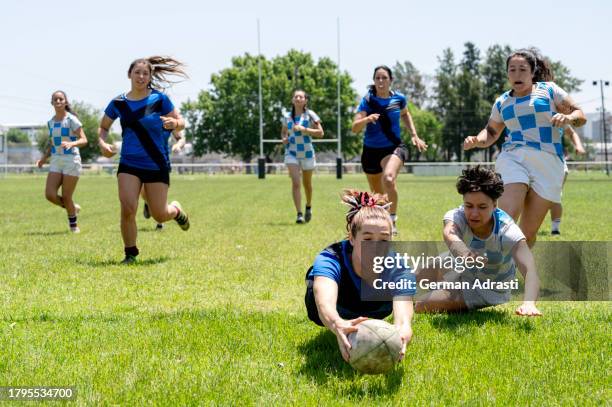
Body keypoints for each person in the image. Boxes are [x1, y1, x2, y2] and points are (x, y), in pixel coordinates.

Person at [464, 48, 586, 246]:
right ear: (507, 73)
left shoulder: (549, 90)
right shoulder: (502, 101)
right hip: (514, 157)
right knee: (507, 219)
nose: (517, 74)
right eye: (512, 70)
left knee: (527, 235)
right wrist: (477, 140)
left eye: (522, 69)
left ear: (532, 72)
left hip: (549, 163)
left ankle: (513, 267)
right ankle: (490, 267)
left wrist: (569, 117)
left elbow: (581, 114)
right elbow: (491, 132)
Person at [98, 56, 190, 264]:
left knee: (159, 214)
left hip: (156, 163)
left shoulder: (160, 100)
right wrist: (103, 144)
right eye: (137, 72)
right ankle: (130, 253)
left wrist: (174, 122)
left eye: (145, 73)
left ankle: (175, 211)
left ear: (150, 77)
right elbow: (103, 127)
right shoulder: (118, 103)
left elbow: (181, 123)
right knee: (128, 207)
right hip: (129, 163)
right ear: (129, 74)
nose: (141, 76)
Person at [305, 189, 414, 362]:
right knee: (315, 290)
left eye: (384, 240)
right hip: (339, 305)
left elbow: (403, 314)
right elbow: (324, 301)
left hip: (375, 310)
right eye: (368, 239)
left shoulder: (399, 266)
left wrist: (402, 330)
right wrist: (337, 324)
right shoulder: (331, 257)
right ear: (352, 238)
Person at [415, 166, 542, 316]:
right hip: (458, 265)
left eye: (482, 207)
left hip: (485, 288)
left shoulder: (508, 232)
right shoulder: (457, 215)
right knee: (408, 277)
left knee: (420, 306)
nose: (474, 213)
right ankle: (445, 286)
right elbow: (450, 234)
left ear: (494, 205)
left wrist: (529, 304)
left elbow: (530, 270)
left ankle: (447, 291)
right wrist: (464, 254)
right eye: (469, 206)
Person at [351, 65, 428, 235]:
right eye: (377, 78)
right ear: (374, 81)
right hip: (370, 151)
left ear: (390, 80)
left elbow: (405, 114)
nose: (381, 81)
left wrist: (414, 135)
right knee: (378, 196)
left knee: (389, 178)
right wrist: (367, 119)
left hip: (394, 147)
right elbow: (354, 128)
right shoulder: (368, 101)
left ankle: (392, 221)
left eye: (384, 78)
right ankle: (382, 223)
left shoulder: (399, 99)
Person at [36, 90, 88, 233]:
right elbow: (53, 143)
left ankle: (73, 226)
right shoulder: (51, 122)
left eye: (61, 99)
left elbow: (84, 139)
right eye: (55, 99)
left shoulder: (72, 120)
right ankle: (73, 208)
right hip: (56, 160)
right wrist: (43, 158)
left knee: (66, 196)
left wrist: (73, 144)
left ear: (65, 102)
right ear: (52, 103)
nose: (58, 101)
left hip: (71, 160)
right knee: (50, 195)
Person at [280, 90, 324, 223]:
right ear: (292, 100)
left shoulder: (311, 115)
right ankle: (299, 214)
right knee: (296, 182)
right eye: (295, 97)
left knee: (307, 184)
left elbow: (321, 133)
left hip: (307, 154)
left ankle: (308, 206)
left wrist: (305, 130)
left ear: (305, 100)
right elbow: (283, 132)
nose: (298, 98)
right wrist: (284, 139)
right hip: (291, 153)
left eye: (301, 97)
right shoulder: (287, 116)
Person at [141, 129, 186, 230]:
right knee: (143, 192)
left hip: (160, 163)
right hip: (139, 160)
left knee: (158, 196)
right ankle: (149, 202)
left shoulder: (168, 115)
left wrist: (178, 145)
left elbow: (181, 138)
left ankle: (160, 221)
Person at [550, 125, 585, 235]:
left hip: (558, 162)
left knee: (556, 197)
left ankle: (555, 229)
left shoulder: (557, 118)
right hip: (535, 163)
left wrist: (578, 146)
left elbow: (572, 132)